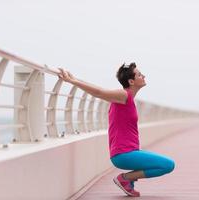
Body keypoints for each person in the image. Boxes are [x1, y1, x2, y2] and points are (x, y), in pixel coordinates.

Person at [58, 63, 175, 197]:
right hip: (124, 154)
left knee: (161, 163)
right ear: (131, 81)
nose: (143, 76)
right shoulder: (123, 95)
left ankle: (128, 182)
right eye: (139, 74)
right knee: (168, 165)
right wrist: (72, 81)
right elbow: (99, 92)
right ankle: (125, 179)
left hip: (128, 152)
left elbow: (101, 91)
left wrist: (75, 79)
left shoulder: (126, 98)